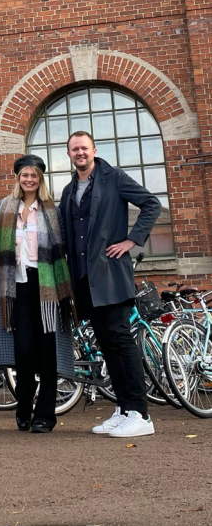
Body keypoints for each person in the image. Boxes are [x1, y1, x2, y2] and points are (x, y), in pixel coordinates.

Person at [59, 130, 162, 438]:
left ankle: (141, 414)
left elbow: (151, 204)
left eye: (84, 148)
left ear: (94, 150)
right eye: (75, 149)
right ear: (69, 154)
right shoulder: (68, 190)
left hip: (110, 276)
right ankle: (125, 408)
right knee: (106, 344)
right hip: (84, 281)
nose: (80, 153)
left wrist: (132, 240)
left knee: (120, 340)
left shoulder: (113, 177)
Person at [0, 155, 75, 433]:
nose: (29, 180)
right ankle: (23, 408)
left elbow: (66, 242)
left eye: (34, 176)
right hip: (15, 286)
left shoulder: (51, 210)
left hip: (46, 286)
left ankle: (45, 416)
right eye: (25, 175)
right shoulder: (5, 206)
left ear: (40, 179)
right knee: (22, 351)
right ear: (18, 178)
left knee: (47, 353)